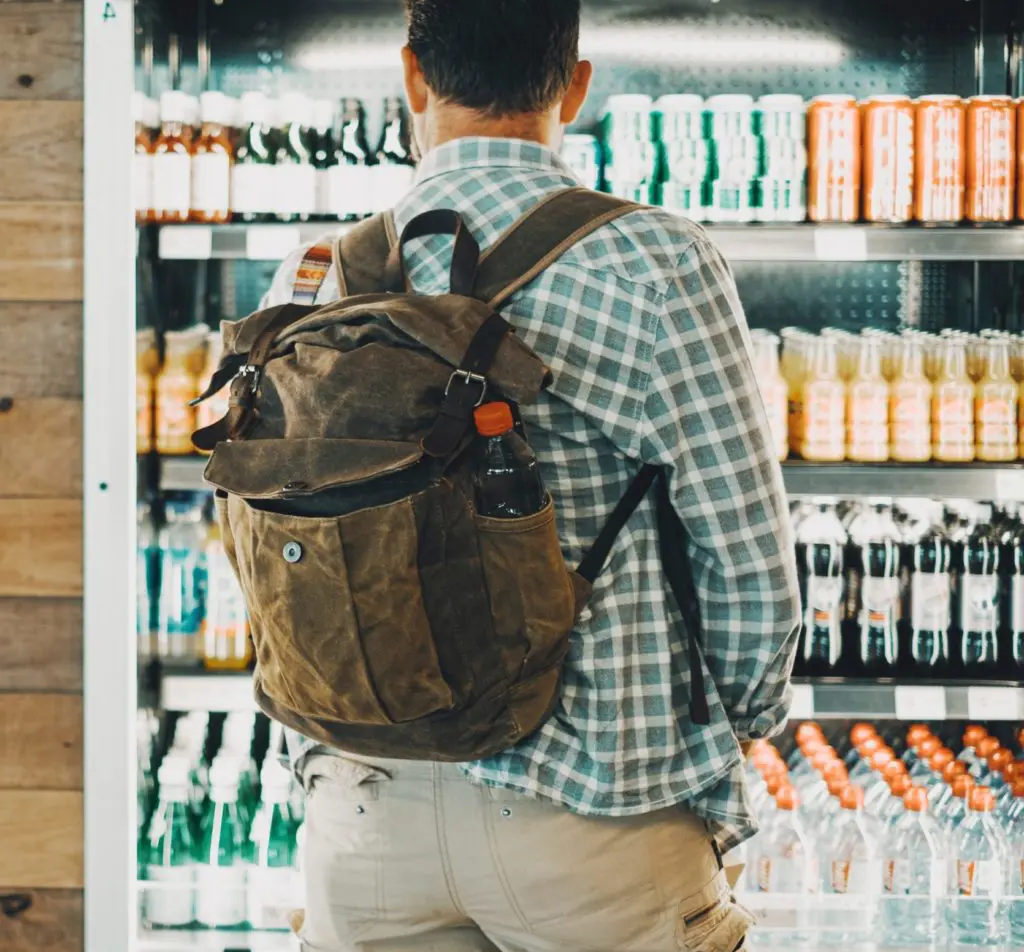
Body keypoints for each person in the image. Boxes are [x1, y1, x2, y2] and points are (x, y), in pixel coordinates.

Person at [260, 2, 800, 949]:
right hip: (592, 802)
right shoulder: (652, 259)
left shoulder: (313, 276)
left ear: (413, 78)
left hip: (364, 805)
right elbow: (746, 554)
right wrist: (738, 722)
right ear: (575, 87)